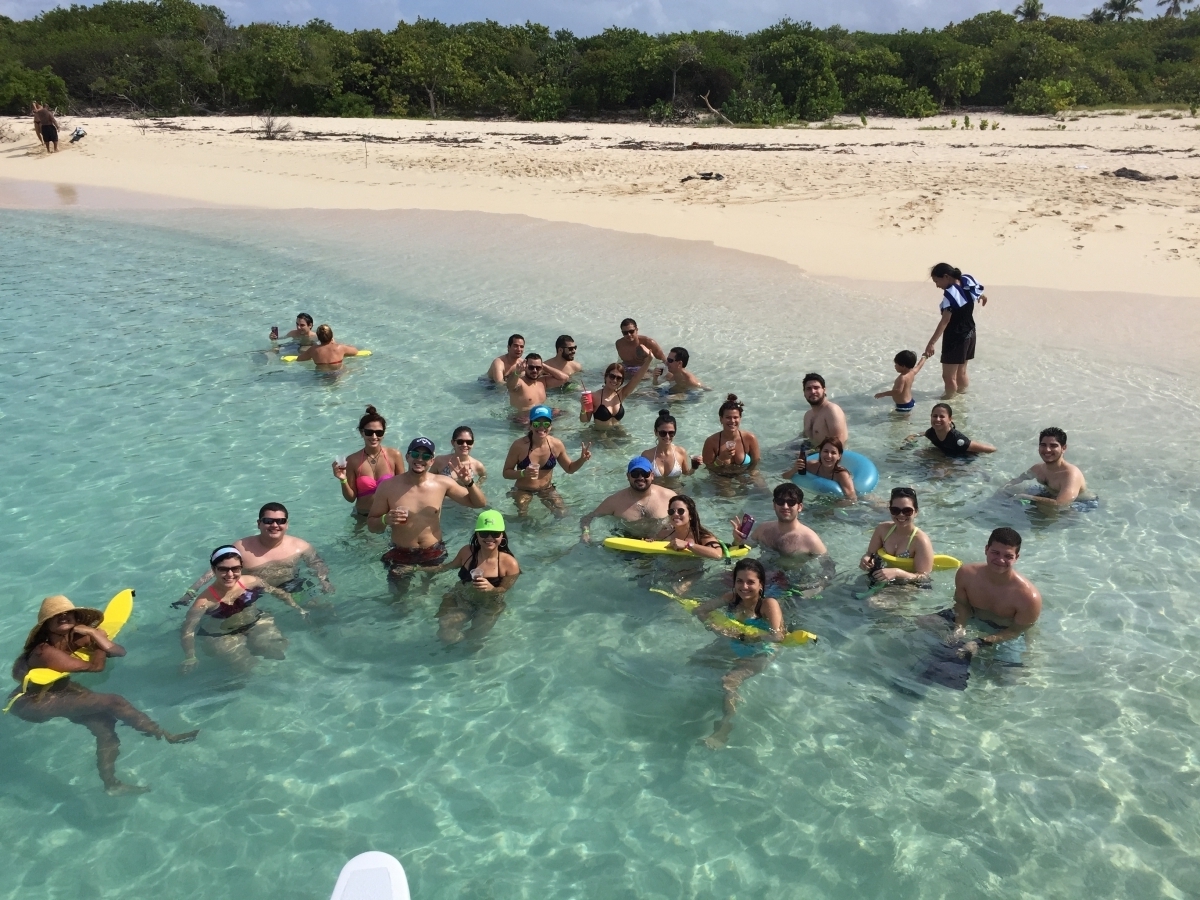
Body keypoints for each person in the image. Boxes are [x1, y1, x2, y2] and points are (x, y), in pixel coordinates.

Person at [8, 595, 198, 794]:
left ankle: (111, 785)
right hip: (32, 702)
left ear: (75, 617)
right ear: (46, 625)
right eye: (56, 615)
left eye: (67, 613)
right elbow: (95, 667)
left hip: (60, 692)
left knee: (105, 725)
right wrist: (98, 639)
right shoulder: (44, 651)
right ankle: (167, 736)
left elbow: (119, 652)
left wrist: (95, 634)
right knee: (114, 701)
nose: (63, 616)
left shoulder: (74, 639)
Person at [689, 559, 785, 749]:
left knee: (729, 681)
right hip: (735, 642)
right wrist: (711, 625)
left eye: (750, 582)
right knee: (694, 662)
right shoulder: (731, 597)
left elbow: (778, 636)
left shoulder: (768, 604)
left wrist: (747, 637)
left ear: (761, 584)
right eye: (739, 581)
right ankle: (696, 708)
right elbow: (699, 610)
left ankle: (724, 728)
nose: (744, 586)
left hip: (761, 650)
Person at [367, 437, 487, 585]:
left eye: (425, 456)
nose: (420, 459)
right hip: (401, 552)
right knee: (398, 594)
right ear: (407, 456)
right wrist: (385, 519)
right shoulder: (388, 486)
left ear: (431, 461)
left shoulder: (442, 483)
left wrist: (469, 483)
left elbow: (479, 503)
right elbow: (372, 526)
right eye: (415, 454)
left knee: (429, 593)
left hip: (433, 551)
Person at [174, 503, 334, 607]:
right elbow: (215, 570)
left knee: (320, 606)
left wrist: (324, 581)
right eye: (268, 521)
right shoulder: (241, 547)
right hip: (253, 590)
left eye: (280, 521)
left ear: (287, 524)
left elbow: (317, 563)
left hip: (291, 584)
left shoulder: (300, 546)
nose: (275, 525)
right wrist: (190, 593)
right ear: (259, 523)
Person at [180, 546, 307, 674]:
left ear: (241, 568)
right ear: (214, 570)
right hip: (222, 635)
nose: (230, 574)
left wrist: (298, 608)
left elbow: (277, 592)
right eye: (223, 569)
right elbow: (188, 630)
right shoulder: (204, 601)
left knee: (277, 649)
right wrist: (190, 656)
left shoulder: (253, 581)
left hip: (255, 622)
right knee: (245, 666)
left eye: (235, 569)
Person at [936, 527, 1041, 659]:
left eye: (1008, 556)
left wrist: (980, 642)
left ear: (1016, 557)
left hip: (1004, 631)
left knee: (1006, 671)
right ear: (986, 549)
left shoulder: (1028, 597)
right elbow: (962, 604)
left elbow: (1016, 630)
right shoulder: (966, 574)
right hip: (972, 615)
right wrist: (959, 627)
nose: (1000, 560)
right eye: (995, 553)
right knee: (920, 625)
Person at [431, 510, 521, 644]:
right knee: (445, 633)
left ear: (502, 535)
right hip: (461, 598)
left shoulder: (510, 563)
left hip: (489, 605)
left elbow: (504, 589)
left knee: (474, 640)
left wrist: (491, 589)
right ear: (477, 534)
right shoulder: (467, 552)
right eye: (484, 533)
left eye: (495, 534)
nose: (489, 538)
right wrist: (415, 568)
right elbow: (445, 568)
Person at [502, 406, 591, 517]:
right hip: (523, 489)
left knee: (563, 514)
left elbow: (569, 469)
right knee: (523, 516)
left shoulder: (556, 445)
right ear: (530, 425)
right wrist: (523, 473)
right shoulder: (519, 446)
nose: (541, 427)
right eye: (536, 424)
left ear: (551, 426)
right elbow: (506, 473)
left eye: (546, 424)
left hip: (546, 489)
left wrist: (582, 460)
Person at [924, 263, 987, 399]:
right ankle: (961, 399)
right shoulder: (966, 281)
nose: (937, 286)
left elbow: (945, 321)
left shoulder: (951, 294)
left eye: (937, 281)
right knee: (961, 373)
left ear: (946, 277)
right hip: (970, 332)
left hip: (955, 337)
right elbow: (978, 292)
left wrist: (931, 343)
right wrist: (982, 296)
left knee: (948, 377)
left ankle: (949, 400)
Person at [332, 406, 406, 517]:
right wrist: (343, 480)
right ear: (361, 432)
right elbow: (351, 498)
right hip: (362, 516)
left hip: (388, 516)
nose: (374, 436)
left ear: (384, 433)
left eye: (379, 433)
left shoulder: (394, 455)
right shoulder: (352, 460)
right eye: (369, 432)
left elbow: (403, 488)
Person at [580, 457, 676, 541]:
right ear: (628, 476)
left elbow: (685, 516)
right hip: (629, 543)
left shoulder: (669, 496)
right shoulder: (615, 501)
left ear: (652, 476)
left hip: (662, 543)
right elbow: (588, 518)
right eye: (635, 474)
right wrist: (586, 533)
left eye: (645, 473)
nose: (640, 477)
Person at [858, 487, 935, 585]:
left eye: (907, 511)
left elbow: (924, 577)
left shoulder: (920, 540)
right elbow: (869, 554)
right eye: (895, 510)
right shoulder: (882, 530)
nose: (901, 515)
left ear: (916, 512)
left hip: (910, 585)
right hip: (880, 578)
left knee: (880, 596)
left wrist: (897, 573)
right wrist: (866, 560)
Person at [1003, 427, 1093, 508]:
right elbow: (1016, 481)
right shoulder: (1038, 468)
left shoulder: (1071, 475)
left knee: (1044, 511)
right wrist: (1003, 489)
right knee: (1011, 492)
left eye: (1053, 446)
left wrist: (1026, 497)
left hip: (1080, 504)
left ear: (1064, 448)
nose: (1047, 450)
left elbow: (1061, 505)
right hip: (1052, 496)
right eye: (1043, 445)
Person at [732, 482, 827, 557]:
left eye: (791, 502)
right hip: (763, 572)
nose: (785, 506)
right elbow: (741, 550)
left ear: (799, 507)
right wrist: (737, 540)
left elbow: (828, 567)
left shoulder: (811, 540)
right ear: (774, 505)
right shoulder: (762, 530)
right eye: (780, 501)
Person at [782, 437, 857, 502]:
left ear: (839, 456)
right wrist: (794, 469)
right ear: (820, 452)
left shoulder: (842, 474)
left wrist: (831, 507)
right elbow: (784, 477)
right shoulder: (811, 466)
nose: (829, 456)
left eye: (833, 453)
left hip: (836, 501)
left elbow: (852, 499)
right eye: (826, 451)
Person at [701, 395, 761, 474]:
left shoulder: (750, 438)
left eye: (735, 417)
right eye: (728, 417)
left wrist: (751, 475)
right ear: (721, 419)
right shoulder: (711, 442)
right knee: (723, 482)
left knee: (758, 481)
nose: (732, 421)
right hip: (721, 476)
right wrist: (720, 459)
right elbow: (709, 468)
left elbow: (755, 463)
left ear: (740, 419)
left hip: (745, 474)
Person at [652, 494, 725, 558]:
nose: (675, 514)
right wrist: (651, 541)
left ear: (690, 516)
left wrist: (688, 545)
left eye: (680, 511)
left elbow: (718, 554)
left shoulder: (702, 536)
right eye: (671, 511)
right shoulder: (664, 534)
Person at [580, 362, 648, 430]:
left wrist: (648, 360)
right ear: (606, 376)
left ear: (622, 381)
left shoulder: (621, 394)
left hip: (618, 431)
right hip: (600, 434)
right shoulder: (594, 396)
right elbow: (585, 421)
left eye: (619, 378)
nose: (615, 380)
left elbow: (637, 378)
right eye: (612, 376)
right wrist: (583, 408)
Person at [795, 373, 849, 458]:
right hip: (813, 453)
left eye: (816, 388)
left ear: (824, 390)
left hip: (828, 458)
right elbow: (805, 438)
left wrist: (808, 453)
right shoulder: (808, 415)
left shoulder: (832, 410)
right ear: (804, 393)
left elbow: (838, 444)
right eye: (808, 389)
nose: (812, 391)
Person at [917, 403, 995, 457]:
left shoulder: (958, 440)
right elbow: (924, 433)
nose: (937, 419)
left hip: (962, 459)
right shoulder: (931, 432)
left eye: (942, 416)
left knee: (938, 472)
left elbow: (991, 449)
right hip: (946, 455)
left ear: (950, 419)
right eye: (935, 416)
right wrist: (914, 436)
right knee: (919, 453)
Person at [639, 409, 695, 479]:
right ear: (655, 432)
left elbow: (686, 474)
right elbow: (641, 479)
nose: (667, 436)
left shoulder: (681, 452)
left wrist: (694, 467)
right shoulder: (646, 455)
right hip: (655, 487)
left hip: (677, 487)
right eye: (663, 433)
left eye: (671, 433)